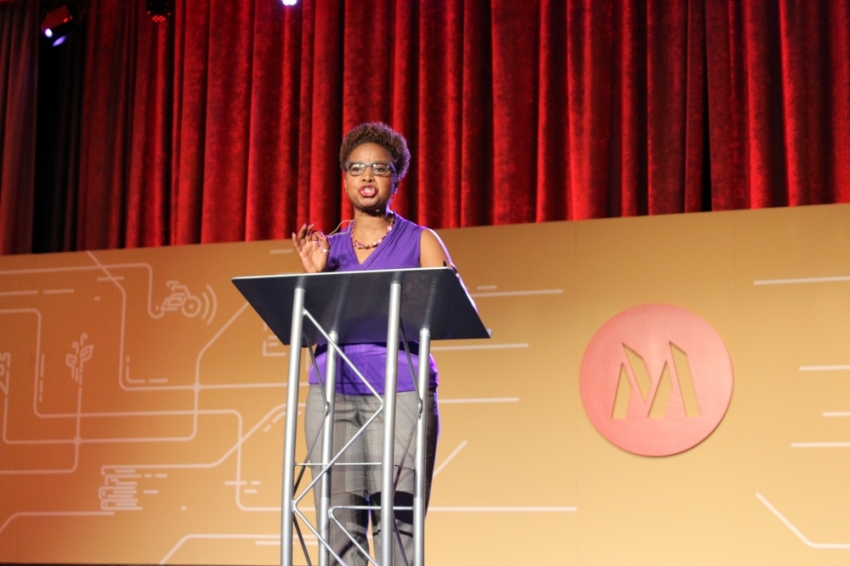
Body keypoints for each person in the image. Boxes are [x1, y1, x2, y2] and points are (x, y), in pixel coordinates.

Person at [292, 122, 463, 565]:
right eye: (356, 168)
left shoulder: (421, 240)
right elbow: (308, 327)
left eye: (379, 168)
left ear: (396, 178)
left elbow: (447, 307)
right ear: (345, 178)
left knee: (398, 525)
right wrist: (316, 278)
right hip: (332, 394)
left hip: (401, 392)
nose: (367, 176)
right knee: (338, 525)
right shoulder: (325, 249)